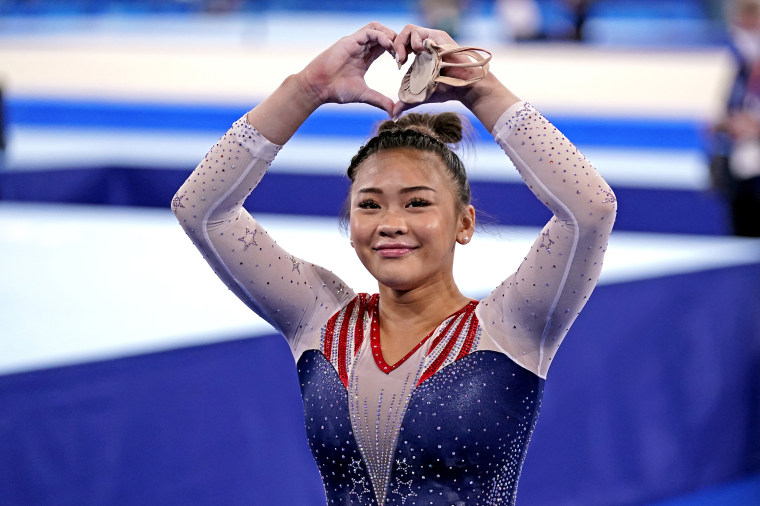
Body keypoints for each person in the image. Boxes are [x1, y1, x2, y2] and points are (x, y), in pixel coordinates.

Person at [172, 22, 616, 505]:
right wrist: (306, 89)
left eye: (417, 203)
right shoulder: (320, 318)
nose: (391, 222)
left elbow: (589, 209)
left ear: (464, 224)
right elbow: (201, 209)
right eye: (370, 204)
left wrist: (478, 86)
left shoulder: (509, 327)